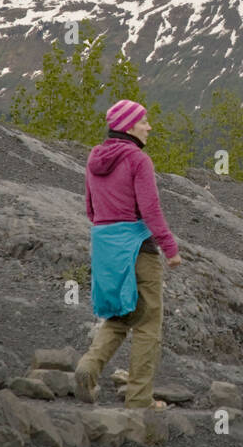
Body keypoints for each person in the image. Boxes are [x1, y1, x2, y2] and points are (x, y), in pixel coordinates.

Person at [74, 99, 182, 410]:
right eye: (144, 121)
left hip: (106, 249)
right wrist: (170, 248)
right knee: (148, 323)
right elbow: (150, 209)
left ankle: (88, 368)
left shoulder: (95, 157)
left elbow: (91, 210)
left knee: (118, 317)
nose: (149, 127)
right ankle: (139, 399)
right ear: (129, 126)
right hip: (139, 249)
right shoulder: (137, 160)